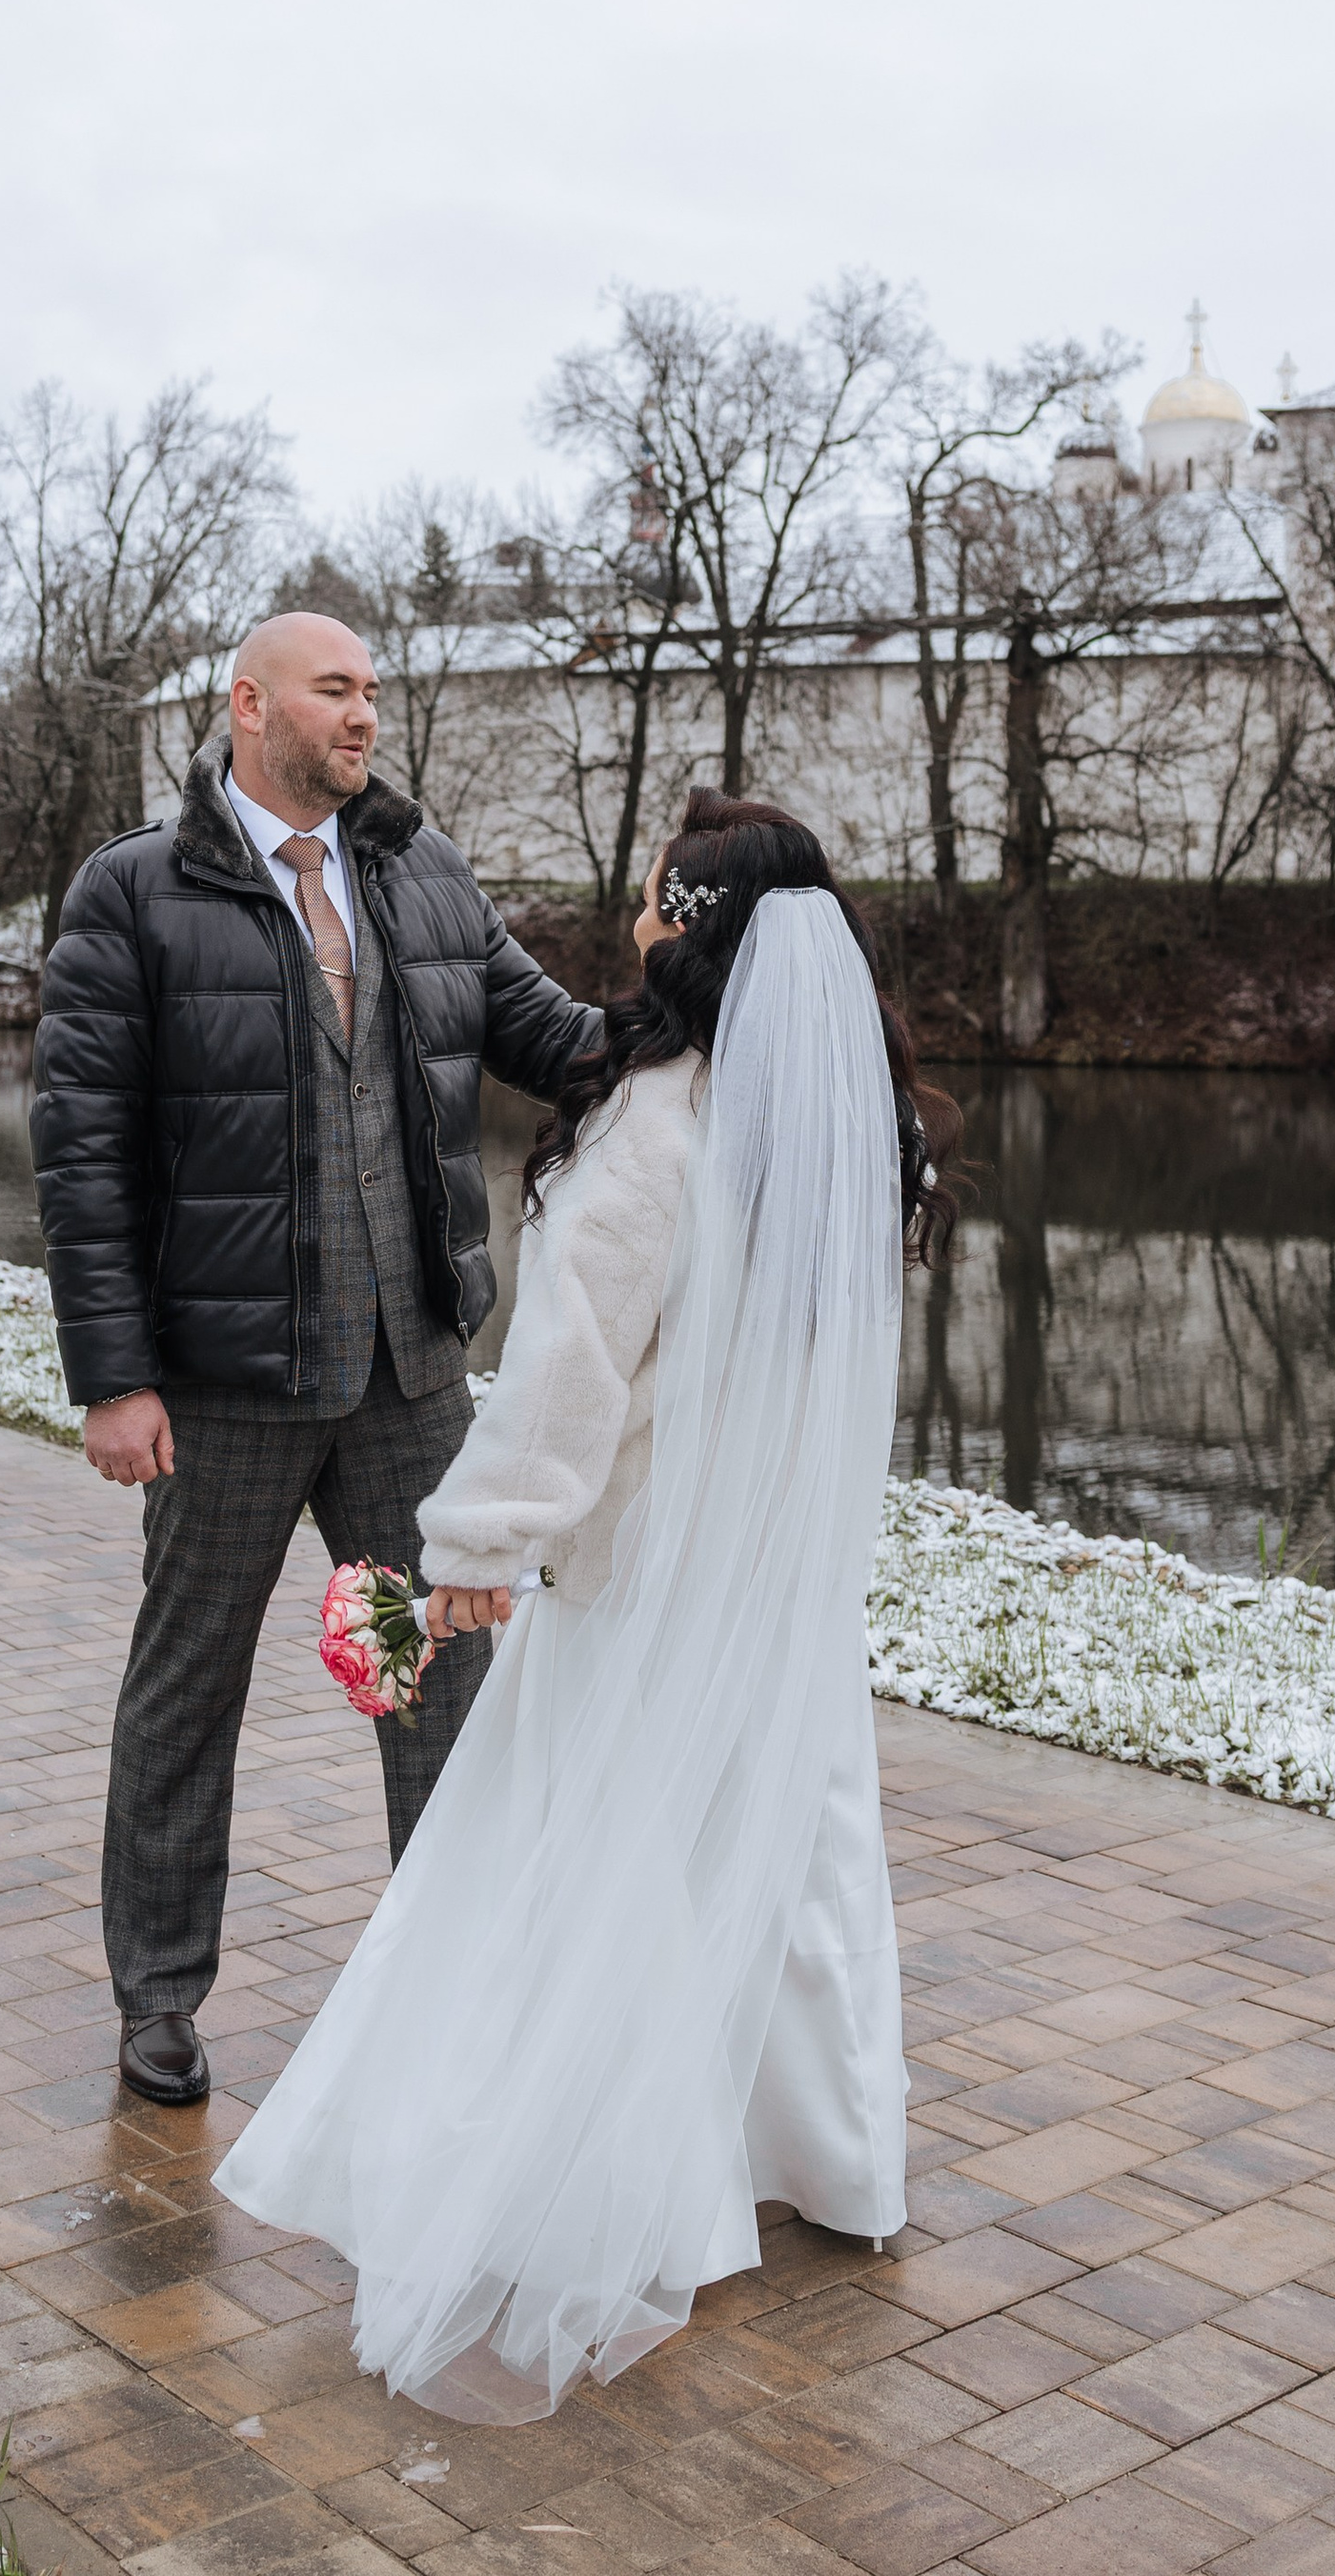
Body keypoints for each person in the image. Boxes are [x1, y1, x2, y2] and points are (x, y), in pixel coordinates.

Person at [213, 790, 961, 2418]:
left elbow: (571, 1372)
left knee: (587, 1871)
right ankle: (832, 2161)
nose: (631, 921)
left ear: (683, 930)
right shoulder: (844, 1138)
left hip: (641, 1582)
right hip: (777, 1587)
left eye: (650, 899)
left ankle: (604, 2182)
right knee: (798, 1863)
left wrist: (479, 1546)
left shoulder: (657, 1131)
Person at [29, 613, 600, 2109]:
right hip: (219, 1388)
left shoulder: (418, 871)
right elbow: (82, 1153)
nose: (363, 715)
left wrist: (715, 1012)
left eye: (370, 691)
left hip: (409, 1383)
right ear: (250, 704)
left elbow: (554, 1038)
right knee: (188, 1688)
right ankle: (160, 1998)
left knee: (431, 1682)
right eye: (335, 689)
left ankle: (452, 1972)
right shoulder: (136, 894)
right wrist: (114, 1375)